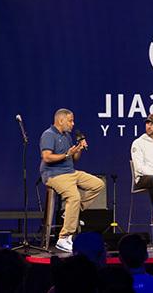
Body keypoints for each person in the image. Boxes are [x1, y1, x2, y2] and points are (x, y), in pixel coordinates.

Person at [40, 108, 105, 252]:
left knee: (98, 184)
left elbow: (74, 159)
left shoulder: (68, 136)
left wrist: (79, 148)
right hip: (54, 174)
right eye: (70, 120)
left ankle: (72, 212)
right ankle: (64, 238)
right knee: (74, 197)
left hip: (70, 172)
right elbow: (47, 157)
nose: (73, 124)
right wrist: (66, 154)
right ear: (60, 120)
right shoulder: (48, 135)